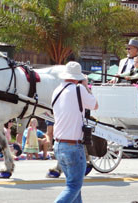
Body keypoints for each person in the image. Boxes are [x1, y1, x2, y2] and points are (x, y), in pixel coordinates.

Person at [52, 61, 98, 203]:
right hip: (73, 146)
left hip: (58, 145)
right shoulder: (79, 89)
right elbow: (95, 105)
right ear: (78, 77)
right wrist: (85, 86)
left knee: (74, 186)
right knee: (73, 186)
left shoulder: (57, 90)